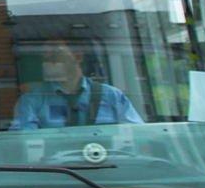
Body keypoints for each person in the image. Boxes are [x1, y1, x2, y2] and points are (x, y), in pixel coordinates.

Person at [10, 40, 145, 130]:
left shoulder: (111, 96)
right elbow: (22, 139)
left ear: (78, 57)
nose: (47, 57)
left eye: (55, 50)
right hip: (53, 170)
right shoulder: (32, 100)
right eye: (44, 53)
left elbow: (138, 134)